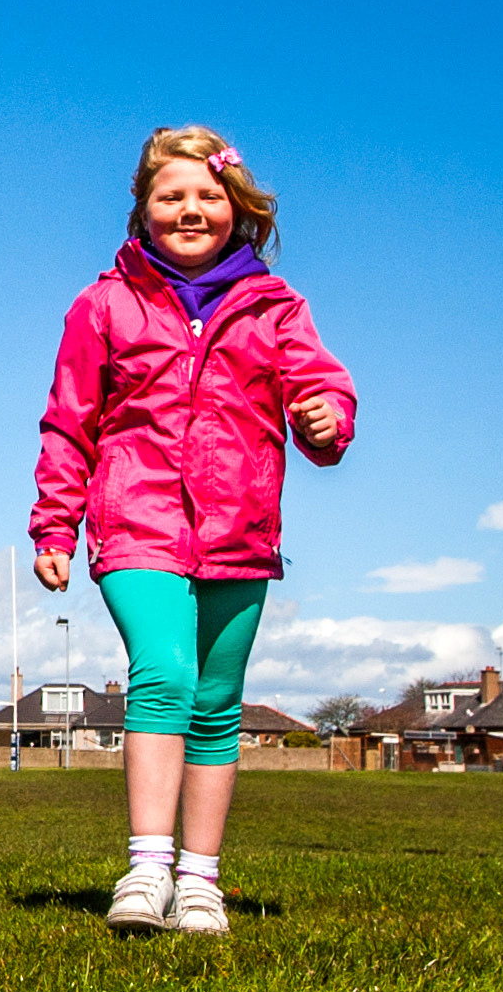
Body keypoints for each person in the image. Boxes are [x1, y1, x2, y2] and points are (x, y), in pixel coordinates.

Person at [27, 127, 354, 937]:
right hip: (135, 522)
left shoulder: (277, 307)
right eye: (170, 196)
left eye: (207, 196)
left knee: (214, 703)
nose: (189, 209)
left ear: (236, 210)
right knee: (163, 674)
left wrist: (323, 419)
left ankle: (199, 881)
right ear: (141, 209)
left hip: (239, 530)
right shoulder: (103, 304)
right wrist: (54, 525)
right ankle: (144, 871)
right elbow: (69, 422)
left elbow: (321, 394)